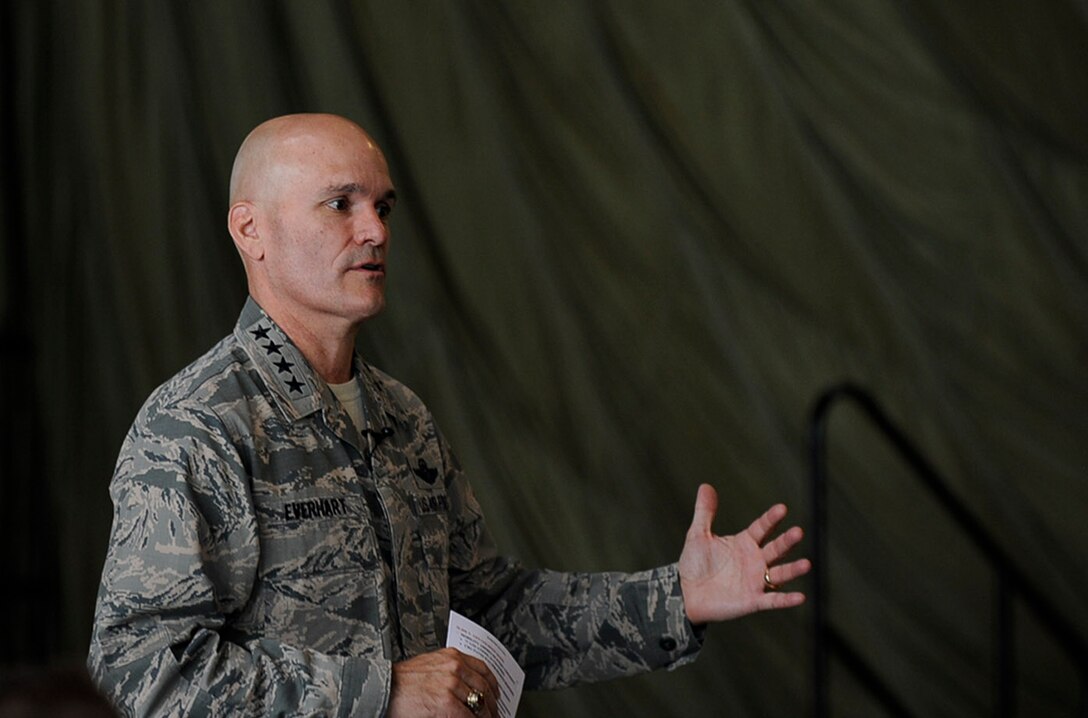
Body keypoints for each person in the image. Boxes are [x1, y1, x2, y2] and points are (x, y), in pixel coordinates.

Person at [88, 113, 810, 717]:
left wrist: (676, 598)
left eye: (384, 206)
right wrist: (381, 693)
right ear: (251, 230)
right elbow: (137, 672)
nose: (375, 230)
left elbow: (491, 616)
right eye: (340, 204)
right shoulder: (196, 427)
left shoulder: (400, 417)